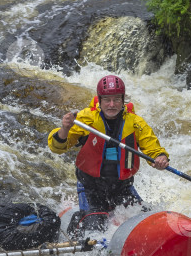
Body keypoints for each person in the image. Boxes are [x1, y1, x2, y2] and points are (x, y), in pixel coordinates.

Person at [47, 74, 169, 234]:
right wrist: (65, 128)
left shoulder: (136, 123)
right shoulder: (86, 119)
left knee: (146, 222)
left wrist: (160, 158)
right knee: (94, 226)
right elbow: (57, 147)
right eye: (107, 100)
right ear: (100, 99)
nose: (112, 104)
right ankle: (78, 225)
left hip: (122, 188)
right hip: (91, 187)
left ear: (123, 100)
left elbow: (153, 148)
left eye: (117, 99)